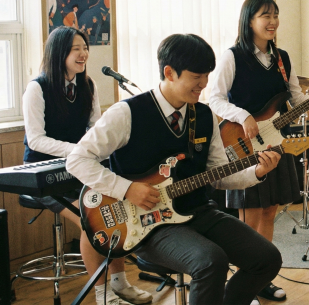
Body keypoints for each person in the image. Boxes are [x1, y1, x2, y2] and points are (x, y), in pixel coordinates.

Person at [67, 33, 283, 305]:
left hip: (198, 211)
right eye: (197, 76)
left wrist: (256, 172)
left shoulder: (204, 115)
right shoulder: (126, 113)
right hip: (148, 224)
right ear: (169, 73)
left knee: (267, 258)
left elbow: (219, 174)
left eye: (207, 75)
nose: (204, 84)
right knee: (210, 261)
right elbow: (77, 160)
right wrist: (127, 189)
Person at [209, 0, 309, 304]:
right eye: (265, 16)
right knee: (249, 217)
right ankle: (243, 282)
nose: (272, 22)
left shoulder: (282, 58)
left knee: (269, 211)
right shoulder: (232, 56)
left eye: (275, 15)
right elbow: (214, 98)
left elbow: (297, 101)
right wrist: (242, 116)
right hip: (243, 143)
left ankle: (261, 278)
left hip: (276, 141)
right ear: (249, 21)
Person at [22, 26, 151, 305]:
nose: (83, 54)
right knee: (91, 222)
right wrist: (79, 151)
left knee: (115, 214)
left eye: (85, 48)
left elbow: (94, 128)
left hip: (81, 168)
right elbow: (36, 140)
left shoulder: (88, 85)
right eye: (75, 49)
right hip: (45, 174)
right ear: (59, 53)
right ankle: (103, 295)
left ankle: (120, 283)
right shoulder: (37, 88)